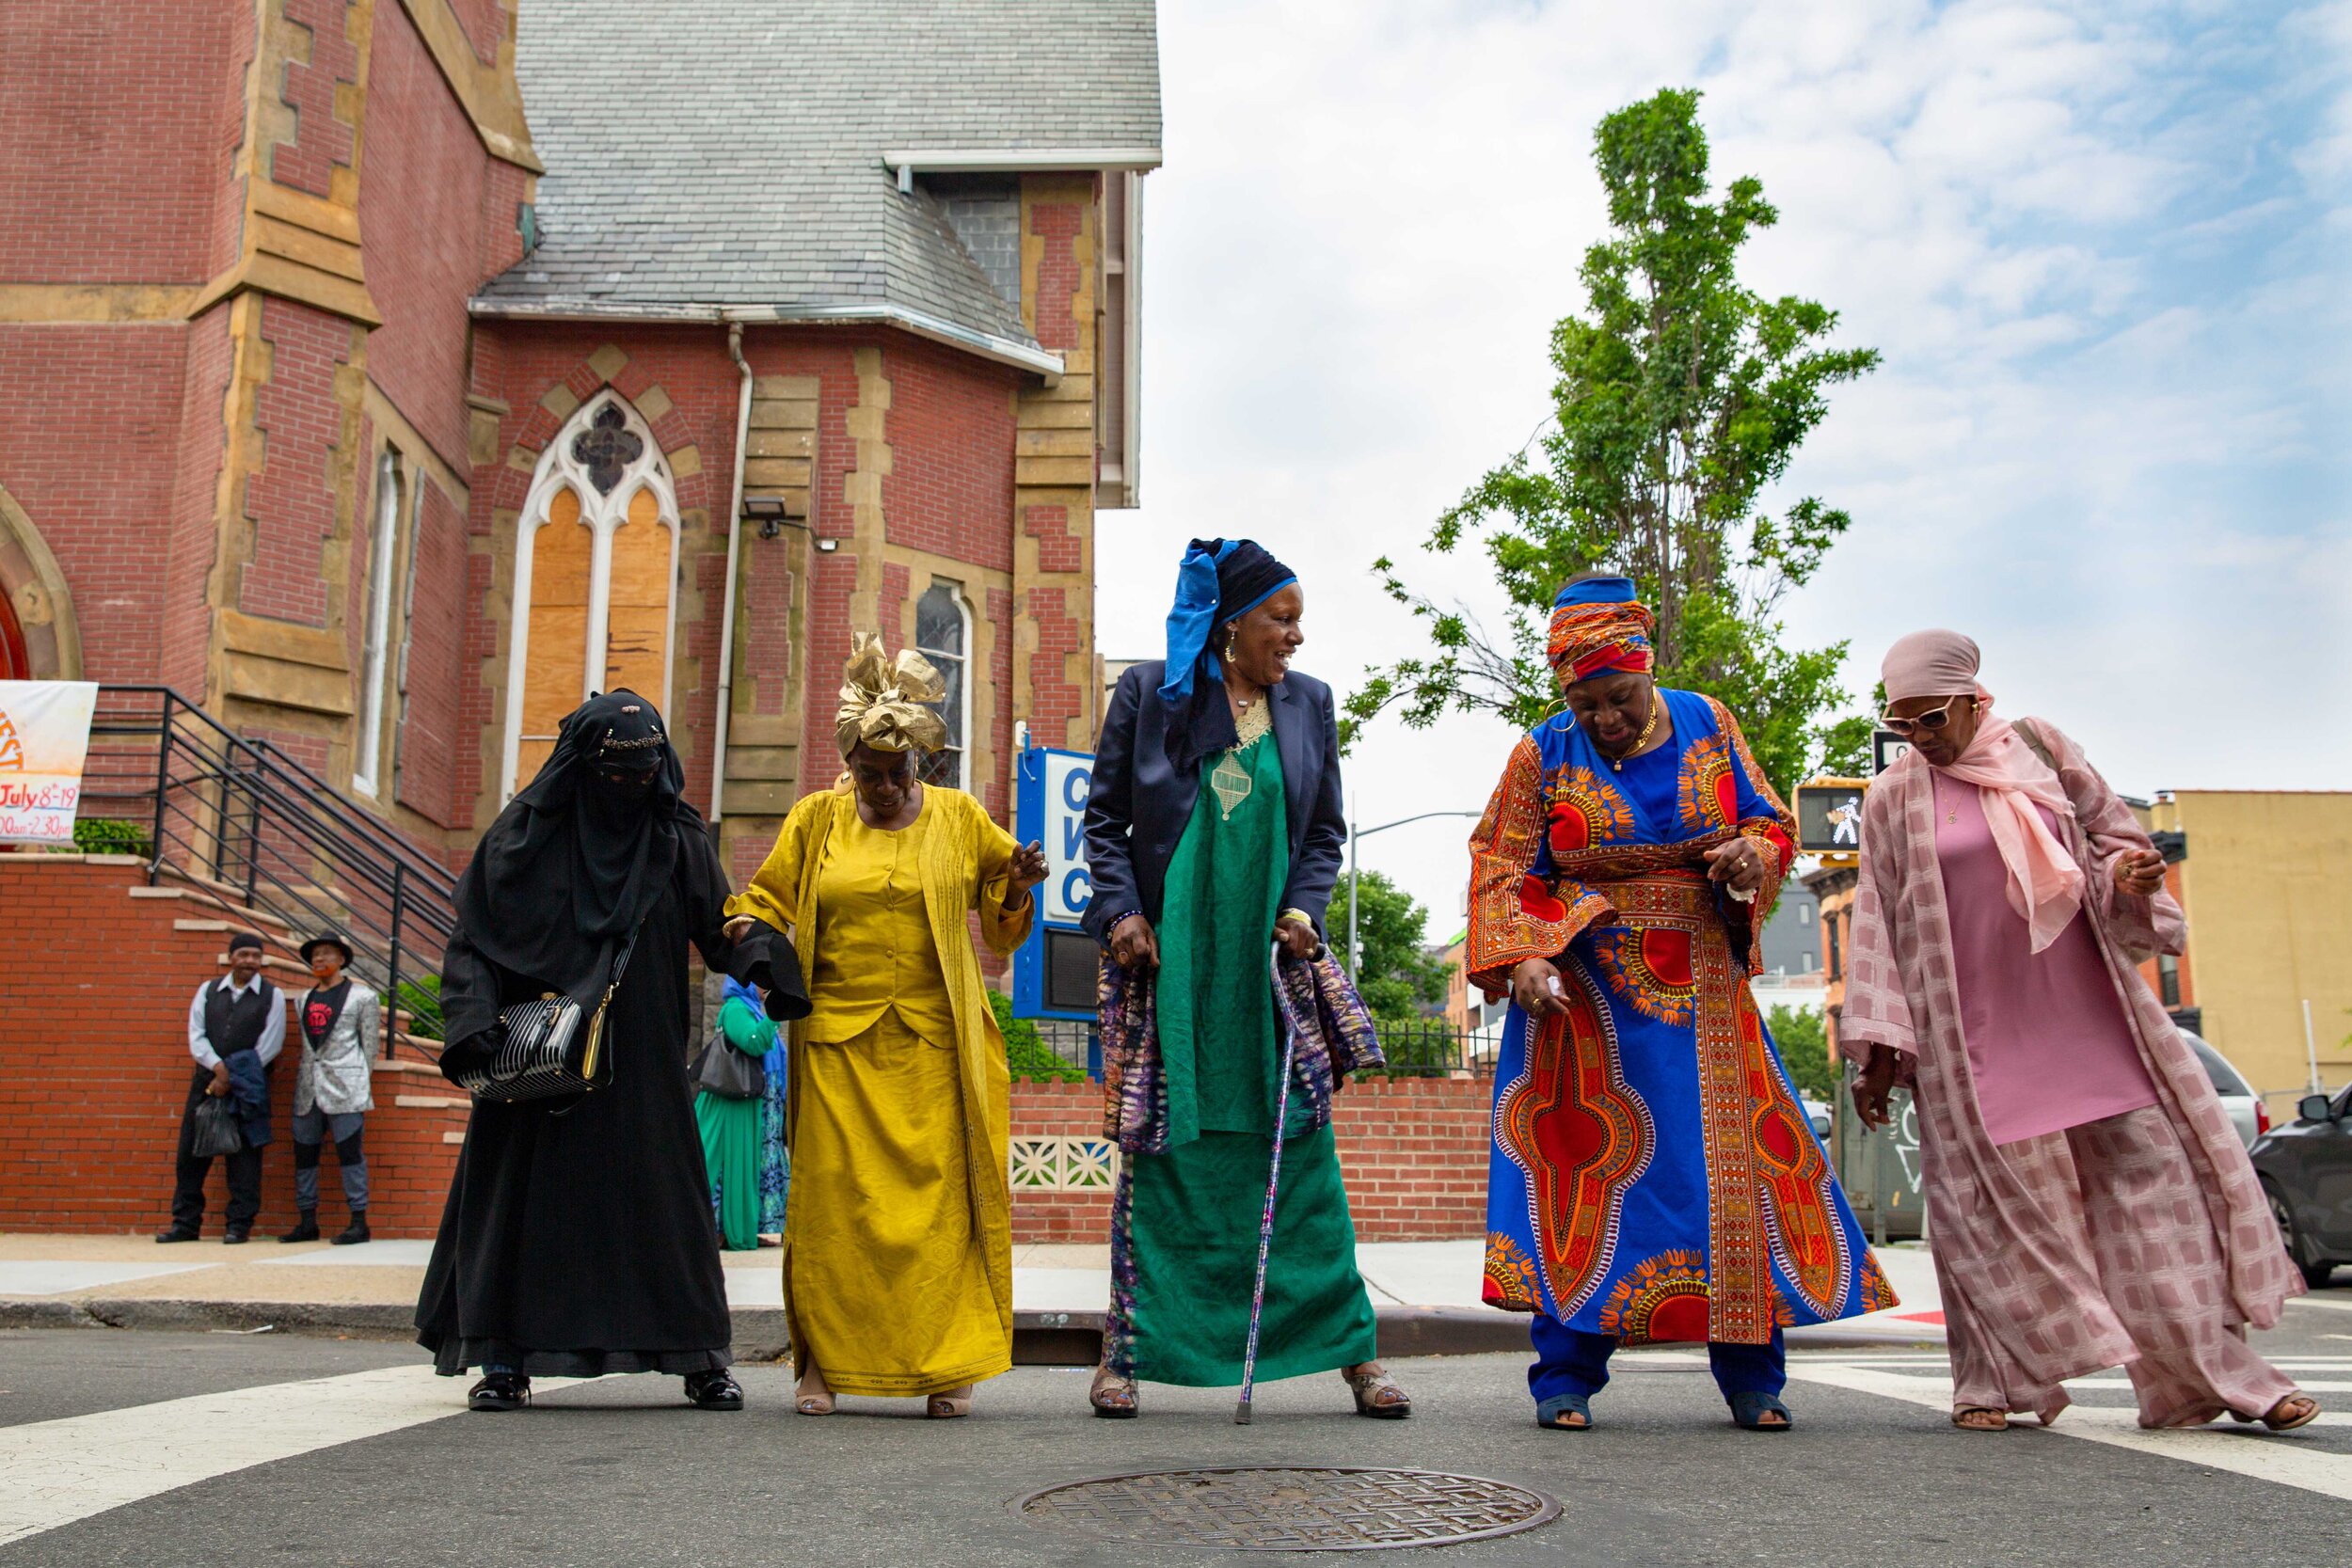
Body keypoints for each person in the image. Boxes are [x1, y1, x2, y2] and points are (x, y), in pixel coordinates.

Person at [1843, 630, 2317, 1433]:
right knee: (1982, 1215)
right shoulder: (1894, 796)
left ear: (1971, 698)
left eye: (1929, 718)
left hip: (2085, 1015)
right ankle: (1992, 1384)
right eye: (1903, 725)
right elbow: (1879, 922)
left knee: (2158, 1202)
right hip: (1971, 1034)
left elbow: (2117, 840)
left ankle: (2223, 1379)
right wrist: (1882, 1053)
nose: (1919, 737)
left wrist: (2130, 877)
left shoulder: (2042, 750)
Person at [1466, 576, 1891, 1433]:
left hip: (1702, 987)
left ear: (1646, 668)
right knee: (1584, 1171)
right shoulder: (1541, 751)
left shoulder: (1710, 721)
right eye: (1585, 705)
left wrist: (1751, 853)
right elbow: (1502, 866)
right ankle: (1565, 1378)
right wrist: (1524, 957)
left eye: (1618, 697)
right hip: (1582, 994)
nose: (1604, 719)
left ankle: (1752, 1378)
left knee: (1728, 1177)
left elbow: (1773, 822)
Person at [1082, 538, 1407, 1420]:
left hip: (1264, 976)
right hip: (1177, 970)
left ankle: (1354, 1353)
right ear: (1233, 624)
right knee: (1164, 1163)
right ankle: (1128, 1354)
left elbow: (1323, 834)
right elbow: (1105, 822)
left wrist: (1305, 907)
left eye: (1298, 620)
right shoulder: (1152, 692)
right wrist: (1121, 915)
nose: (1296, 637)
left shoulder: (1309, 705)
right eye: (1283, 618)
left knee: (1301, 1158)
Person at [416, 691, 805, 1413]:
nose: (633, 786)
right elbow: (474, 936)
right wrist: (469, 1018)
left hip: (642, 1061)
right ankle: (504, 1357)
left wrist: (761, 959)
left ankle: (699, 1357)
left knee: (665, 1206)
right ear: (582, 767)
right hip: (539, 1058)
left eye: (645, 769)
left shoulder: (674, 837)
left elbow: (720, 924)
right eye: (616, 773)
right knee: (524, 1209)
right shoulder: (523, 837)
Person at [723, 633, 1046, 1420]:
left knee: (937, 1214)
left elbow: (1004, 925)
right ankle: (822, 1367)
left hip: (935, 1048)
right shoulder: (816, 820)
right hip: (837, 1046)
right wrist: (743, 928)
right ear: (851, 766)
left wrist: (1017, 882)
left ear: (919, 765)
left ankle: (944, 1366)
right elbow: (766, 900)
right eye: (868, 774)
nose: (883, 787)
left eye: (896, 774)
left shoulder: (962, 817)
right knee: (834, 1211)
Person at [158, 930, 284, 1244]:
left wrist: (231, 1077)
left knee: (244, 1158)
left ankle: (238, 1225)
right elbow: (196, 1034)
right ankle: (185, 1224)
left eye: (255, 956)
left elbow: (270, 1044)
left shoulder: (273, 996)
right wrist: (217, 1069)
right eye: (243, 955)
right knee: (190, 1155)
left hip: (247, 1088)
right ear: (231, 958)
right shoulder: (208, 990)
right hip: (205, 1083)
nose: (249, 961)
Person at [280, 932, 378, 1245]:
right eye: (315, 955)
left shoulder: (363, 997)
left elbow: (370, 1046)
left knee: (350, 1154)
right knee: (304, 1155)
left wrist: (361, 1082)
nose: (319, 959)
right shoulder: (302, 999)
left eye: (326, 954)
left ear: (341, 960)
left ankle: (358, 1221)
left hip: (346, 1088)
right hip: (307, 1089)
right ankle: (307, 1221)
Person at [696, 976, 775, 1251]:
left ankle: (739, 1229)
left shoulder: (748, 1008)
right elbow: (754, 1042)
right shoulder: (736, 1009)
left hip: (743, 1100)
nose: (765, 987)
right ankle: (723, 1230)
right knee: (725, 1165)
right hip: (731, 1100)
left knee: (742, 1166)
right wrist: (775, 1016)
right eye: (760, 982)